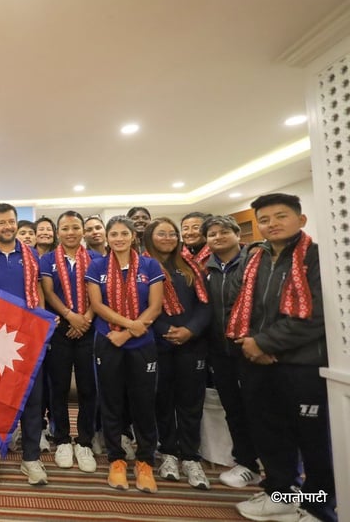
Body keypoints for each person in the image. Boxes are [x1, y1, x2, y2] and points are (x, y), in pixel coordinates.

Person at [228, 194, 336, 522]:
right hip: (257, 361)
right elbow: (242, 307)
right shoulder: (255, 258)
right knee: (270, 432)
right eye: (264, 219)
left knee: (314, 439)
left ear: (301, 220)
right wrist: (254, 347)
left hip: (302, 363)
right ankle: (281, 494)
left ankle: (320, 506)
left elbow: (318, 314)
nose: (271, 224)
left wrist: (263, 343)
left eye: (280, 216)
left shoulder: (318, 258)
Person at [85, 216, 164, 494]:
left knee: (143, 402)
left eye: (123, 233)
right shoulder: (96, 266)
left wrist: (129, 332)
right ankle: (116, 459)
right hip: (108, 340)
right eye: (113, 234)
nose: (118, 238)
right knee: (111, 401)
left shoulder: (150, 265)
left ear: (133, 236)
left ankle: (145, 461)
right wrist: (128, 326)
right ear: (107, 238)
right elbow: (96, 304)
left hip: (141, 343)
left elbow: (155, 306)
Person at [0, 203, 48, 487]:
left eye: (11, 222)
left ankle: (30, 460)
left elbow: (38, 292)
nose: (7, 227)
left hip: (28, 339)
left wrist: (42, 326)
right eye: (1, 223)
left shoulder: (31, 256)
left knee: (31, 399)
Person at [143, 218, 212, 490]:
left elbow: (205, 305)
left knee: (190, 401)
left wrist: (190, 330)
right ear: (150, 237)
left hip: (192, 343)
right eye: (162, 233)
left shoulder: (191, 266)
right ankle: (169, 452)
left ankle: (190, 455)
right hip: (158, 343)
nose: (169, 237)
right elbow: (138, 304)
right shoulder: (143, 266)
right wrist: (165, 329)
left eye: (173, 233)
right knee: (162, 399)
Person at [201, 215, 261, 488]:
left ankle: (279, 469)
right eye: (212, 234)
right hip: (220, 351)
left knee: (262, 408)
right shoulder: (205, 268)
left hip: (254, 348)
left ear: (238, 234)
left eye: (224, 232)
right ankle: (247, 462)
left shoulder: (256, 261)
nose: (218, 237)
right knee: (233, 408)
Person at [39, 211, 99, 474]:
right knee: (59, 388)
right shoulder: (48, 259)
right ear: (58, 232)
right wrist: (70, 317)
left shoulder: (97, 259)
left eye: (76, 227)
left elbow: (100, 294)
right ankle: (62, 438)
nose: (71, 232)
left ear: (83, 231)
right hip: (61, 329)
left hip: (89, 328)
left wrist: (85, 318)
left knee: (88, 388)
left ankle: (84, 440)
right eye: (65, 228)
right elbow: (49, 292)